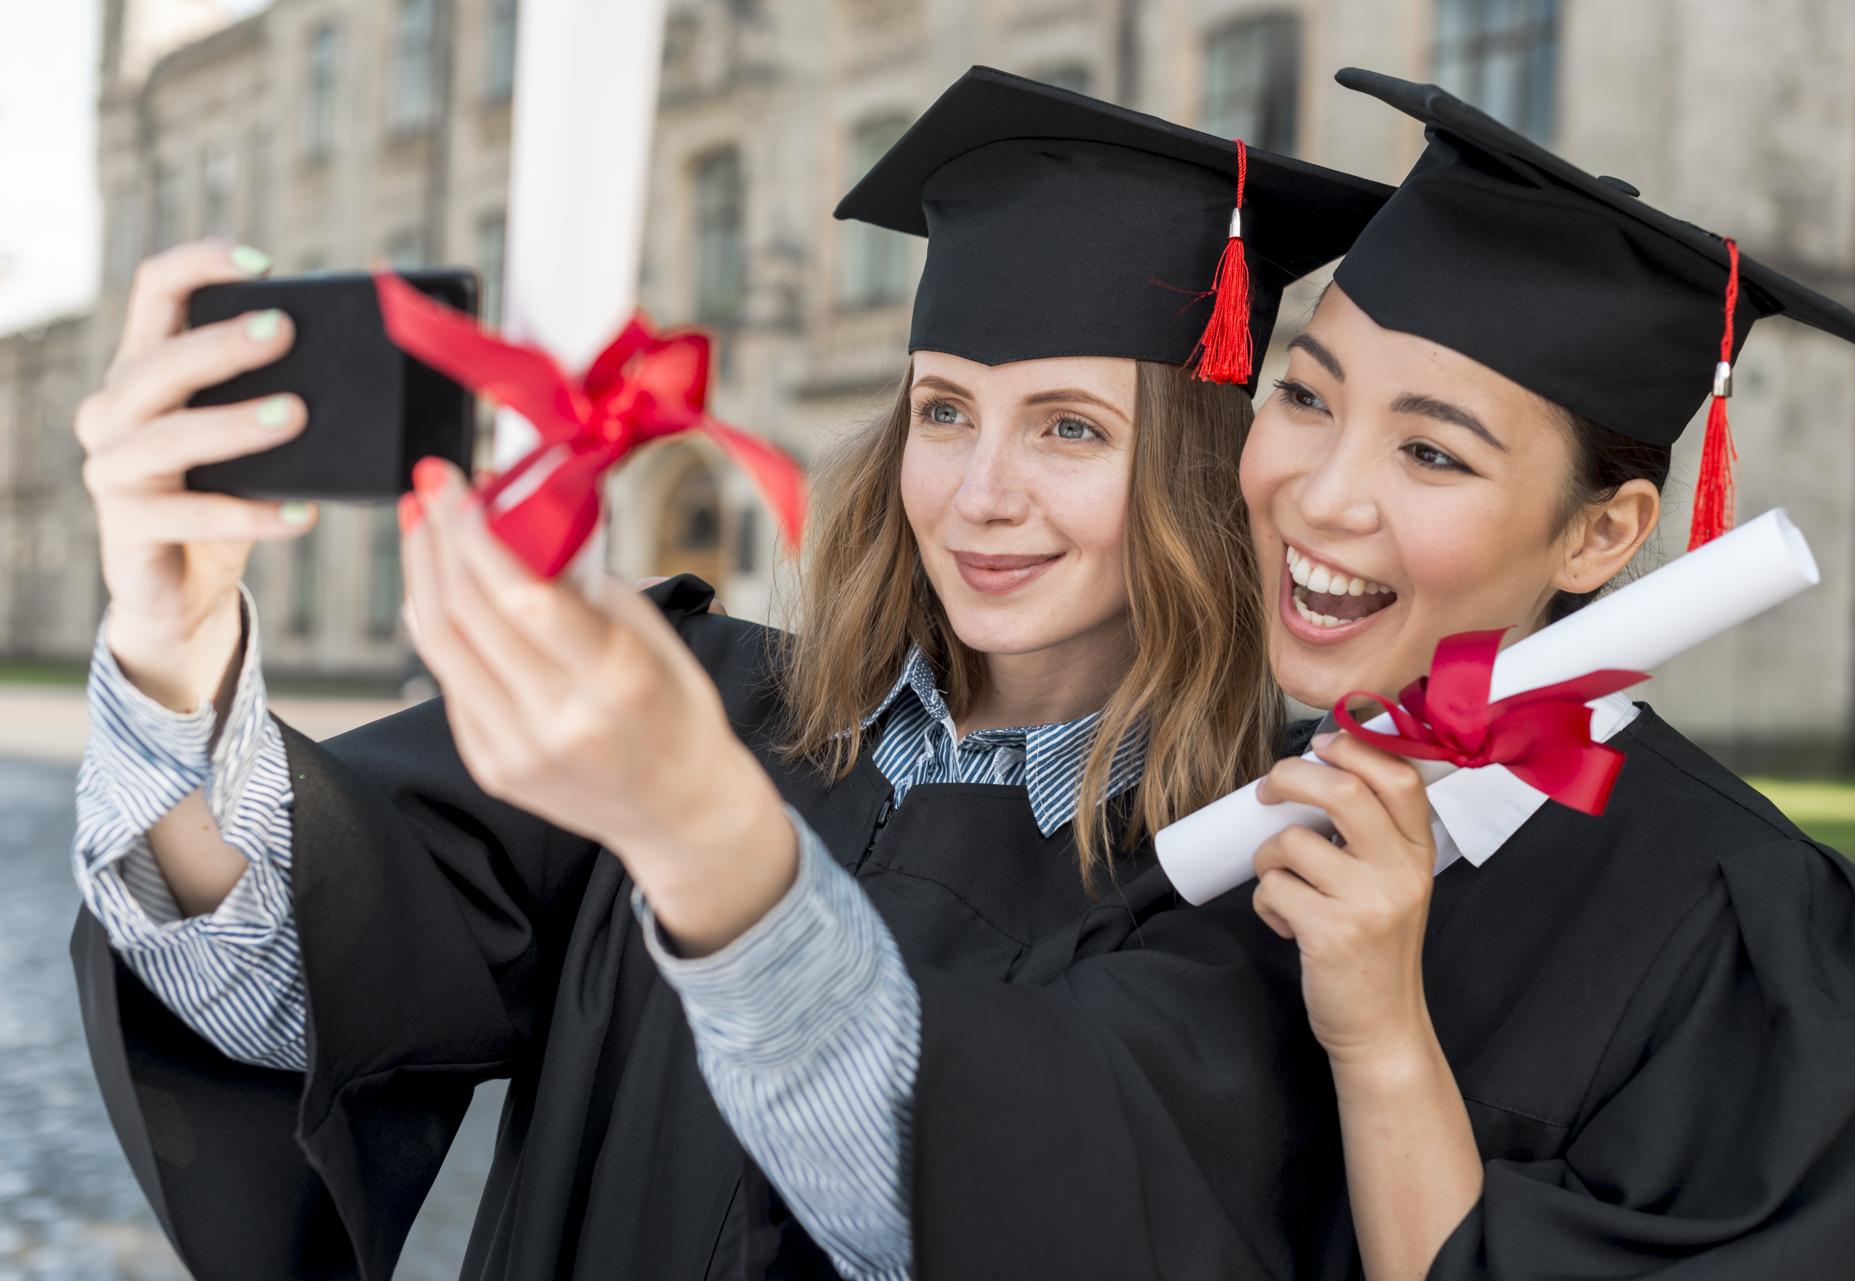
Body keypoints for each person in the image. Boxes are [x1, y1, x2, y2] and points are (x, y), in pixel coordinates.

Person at [69, 68, 1390, 1280]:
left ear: (1201, 476)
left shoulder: (1252, 870)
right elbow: (281, 983)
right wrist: (171, 641)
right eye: (944, 411)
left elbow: (994, 1218)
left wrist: (695, 832)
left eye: (1070, 428)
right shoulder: (697, 693)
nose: (983, 495)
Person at [1238, 69, 1855, 1281]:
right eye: (1305, 394)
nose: (1323, 494)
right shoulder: (1234, 809)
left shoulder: (1759, 945)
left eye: (1432, 452)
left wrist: (1387, 1039)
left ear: (1601, 535)